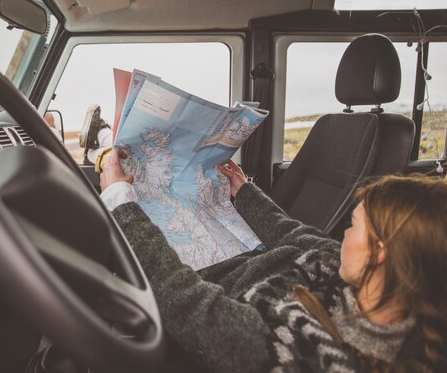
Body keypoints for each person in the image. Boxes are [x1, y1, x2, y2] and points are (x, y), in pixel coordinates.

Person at [100, 148, 447, 372]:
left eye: (353, 226)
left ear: (380, 252)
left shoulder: (294, 351)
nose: (343, 235)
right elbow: (292, 233)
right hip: (223, 268)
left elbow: (190, 306)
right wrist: (244, 191)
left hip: (199, 291)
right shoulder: (353, 277)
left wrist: (120, 202)